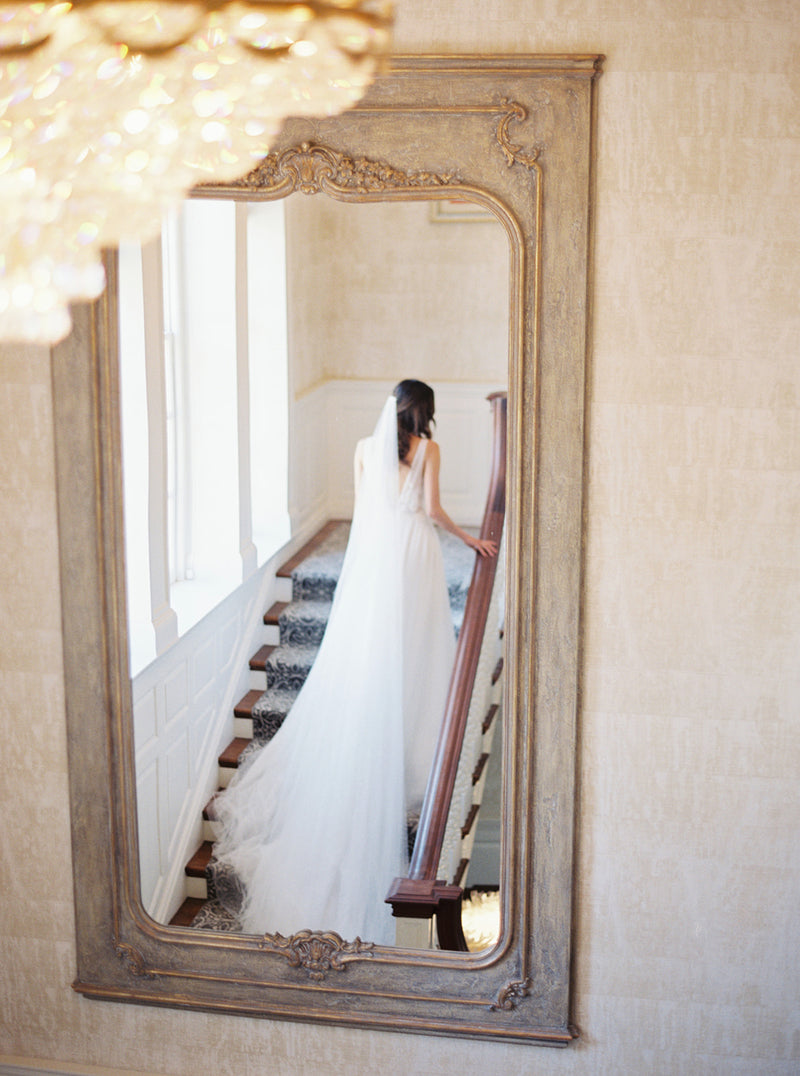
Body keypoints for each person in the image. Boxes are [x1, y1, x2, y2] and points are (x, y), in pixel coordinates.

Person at [213, 380, 496, 945]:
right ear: (425, 412)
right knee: (417, 650)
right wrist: (472, 541)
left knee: (375, 652)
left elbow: (368, 512)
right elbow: (434, 510)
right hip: (414, 555)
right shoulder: (427, 449)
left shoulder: (365, 449)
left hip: (377, 560)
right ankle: (416, 756)